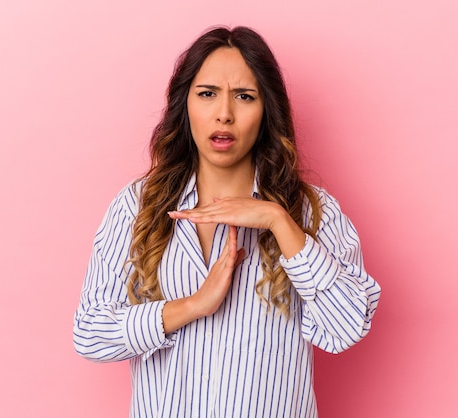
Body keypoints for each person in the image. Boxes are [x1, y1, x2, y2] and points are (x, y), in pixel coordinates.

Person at [73, 26, 381, 418]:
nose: (224, 114)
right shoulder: (137, 207)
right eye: (207, 94)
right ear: (184, 105)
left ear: (266, 109)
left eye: (244, 96)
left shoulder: (311, 212)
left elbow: (347, 327)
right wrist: (192, 306)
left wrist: (278, 221)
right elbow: (90, 333)